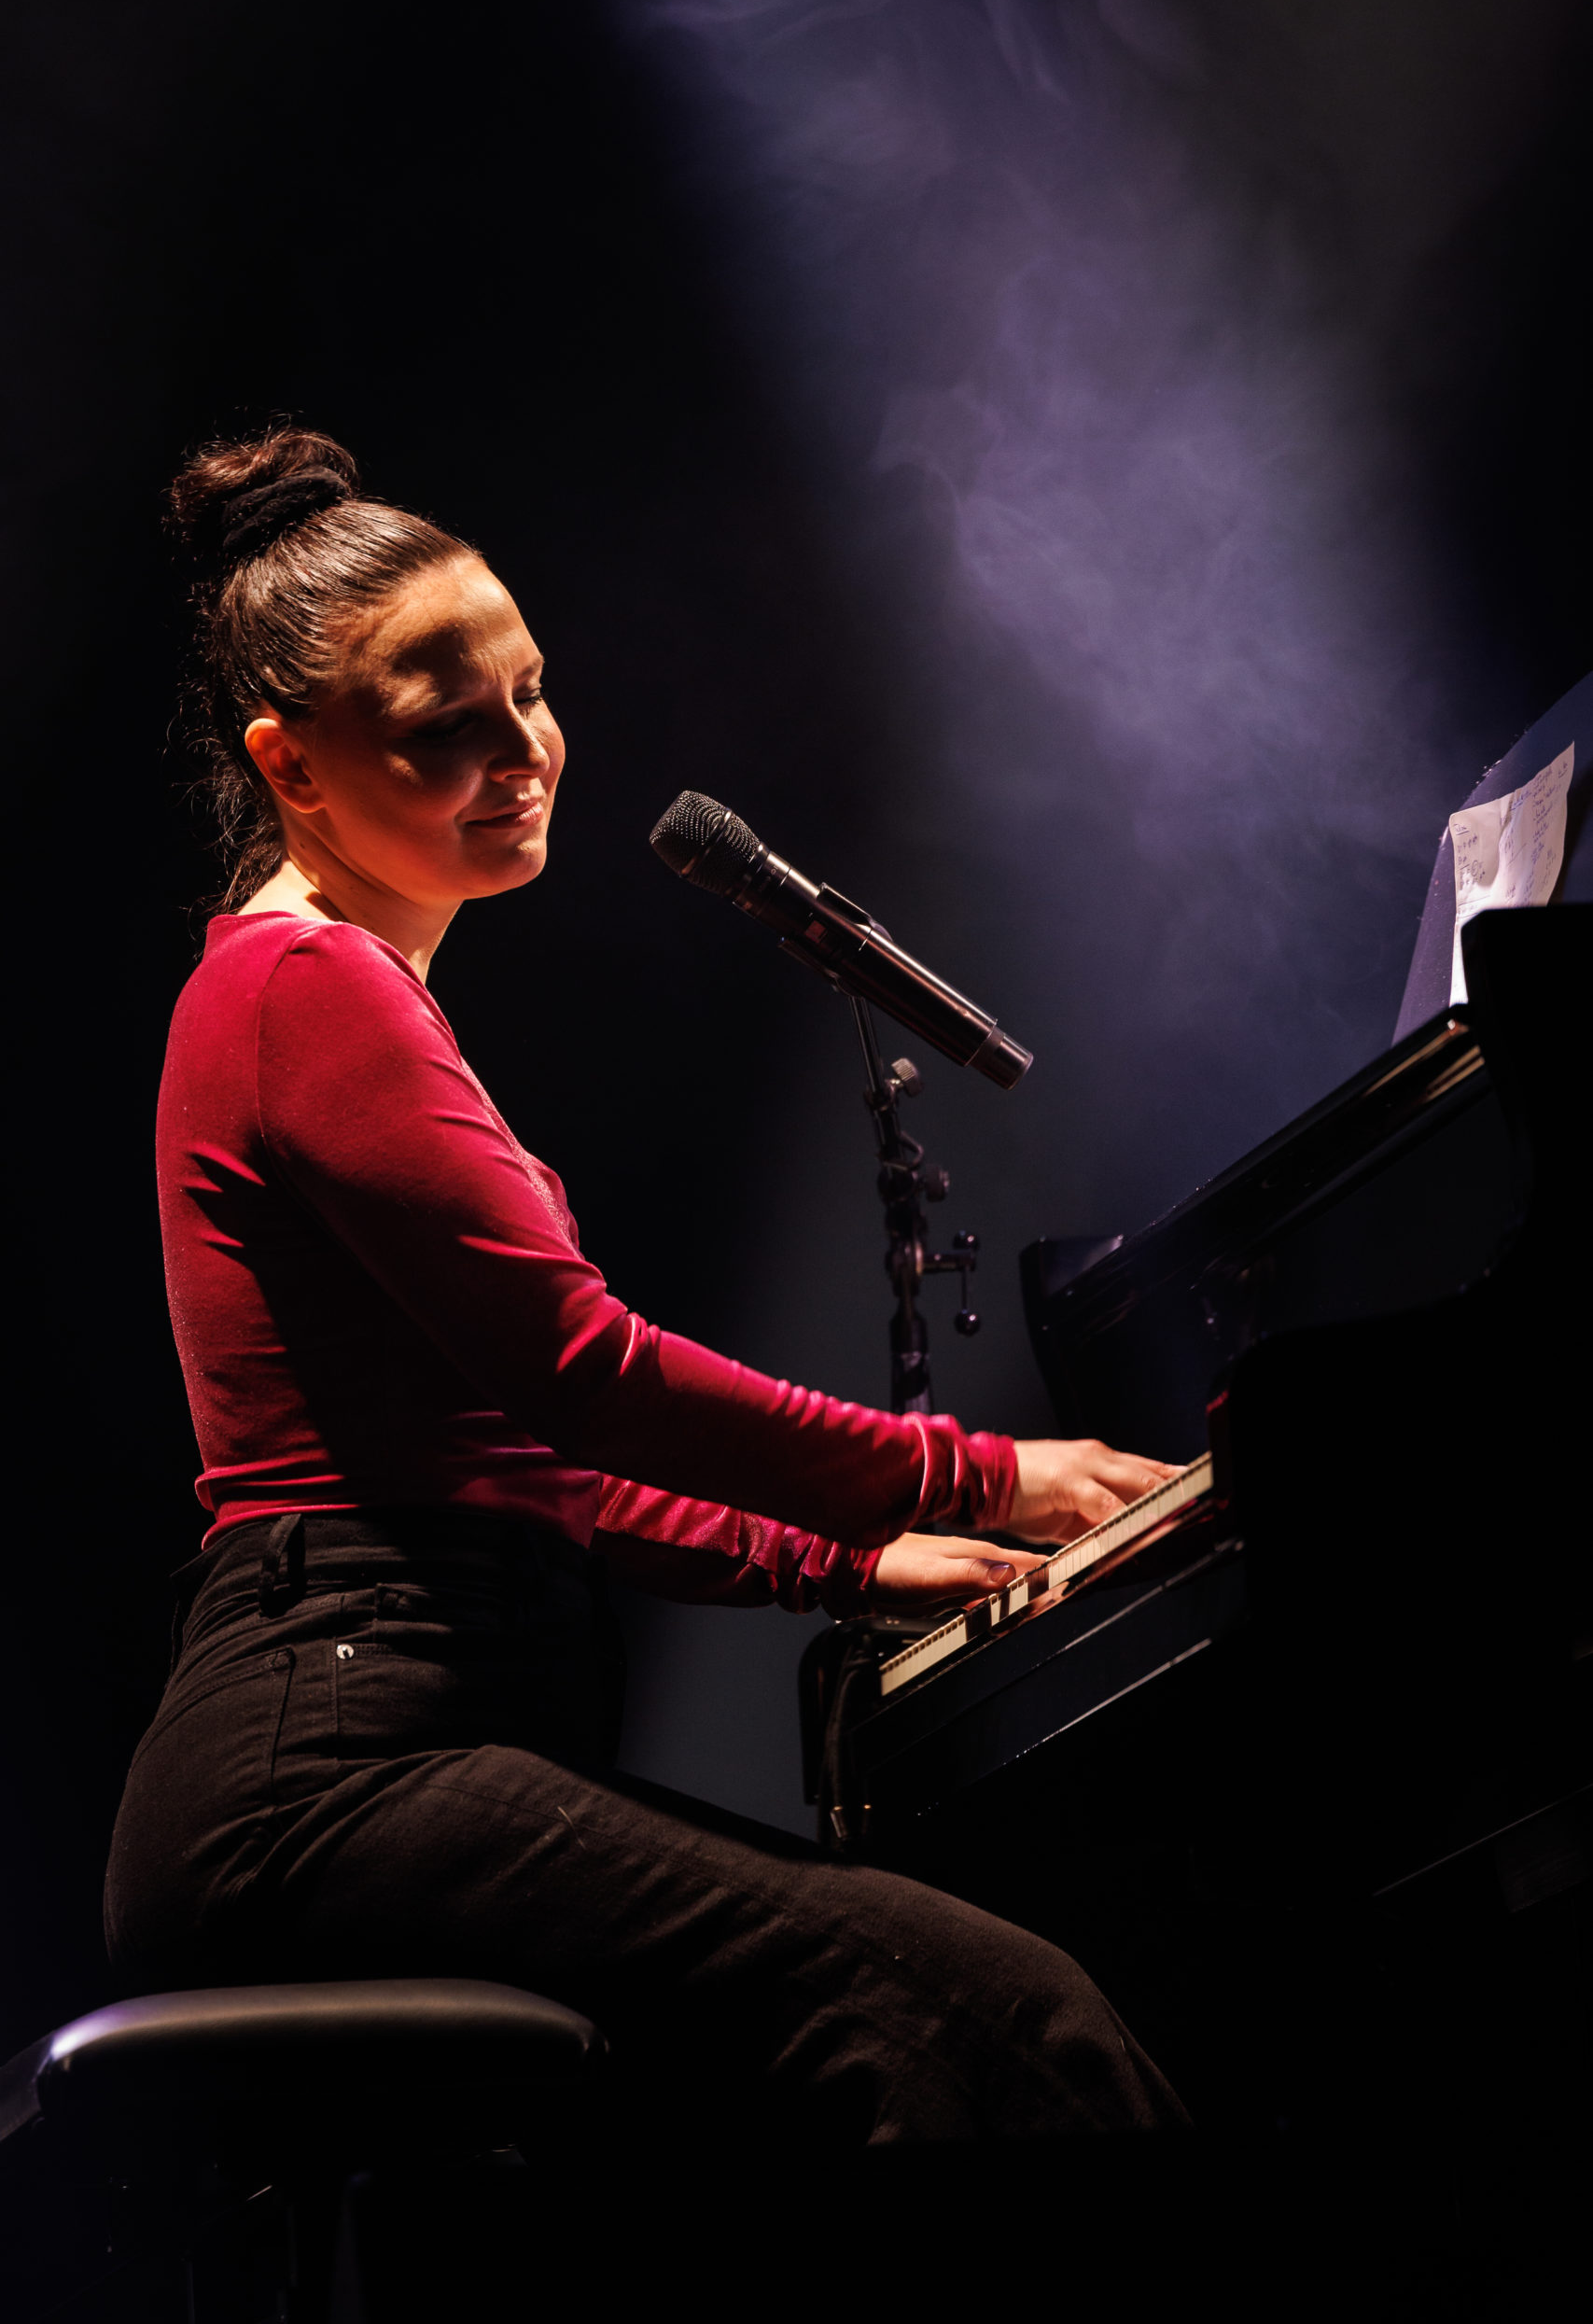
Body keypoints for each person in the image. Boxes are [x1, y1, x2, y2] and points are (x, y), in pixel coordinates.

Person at [105, 427, 1188, 2141]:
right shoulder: (307, 988)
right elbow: (585, 1377)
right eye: (445, 719)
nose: (521, 751)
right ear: (290, 764)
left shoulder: (318, 986)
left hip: (368, 1731)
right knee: (1004, 2033)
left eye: (530, 692)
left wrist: (836, 1558)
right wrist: (970, 1473)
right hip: (327, 1765)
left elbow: (527, 1467)